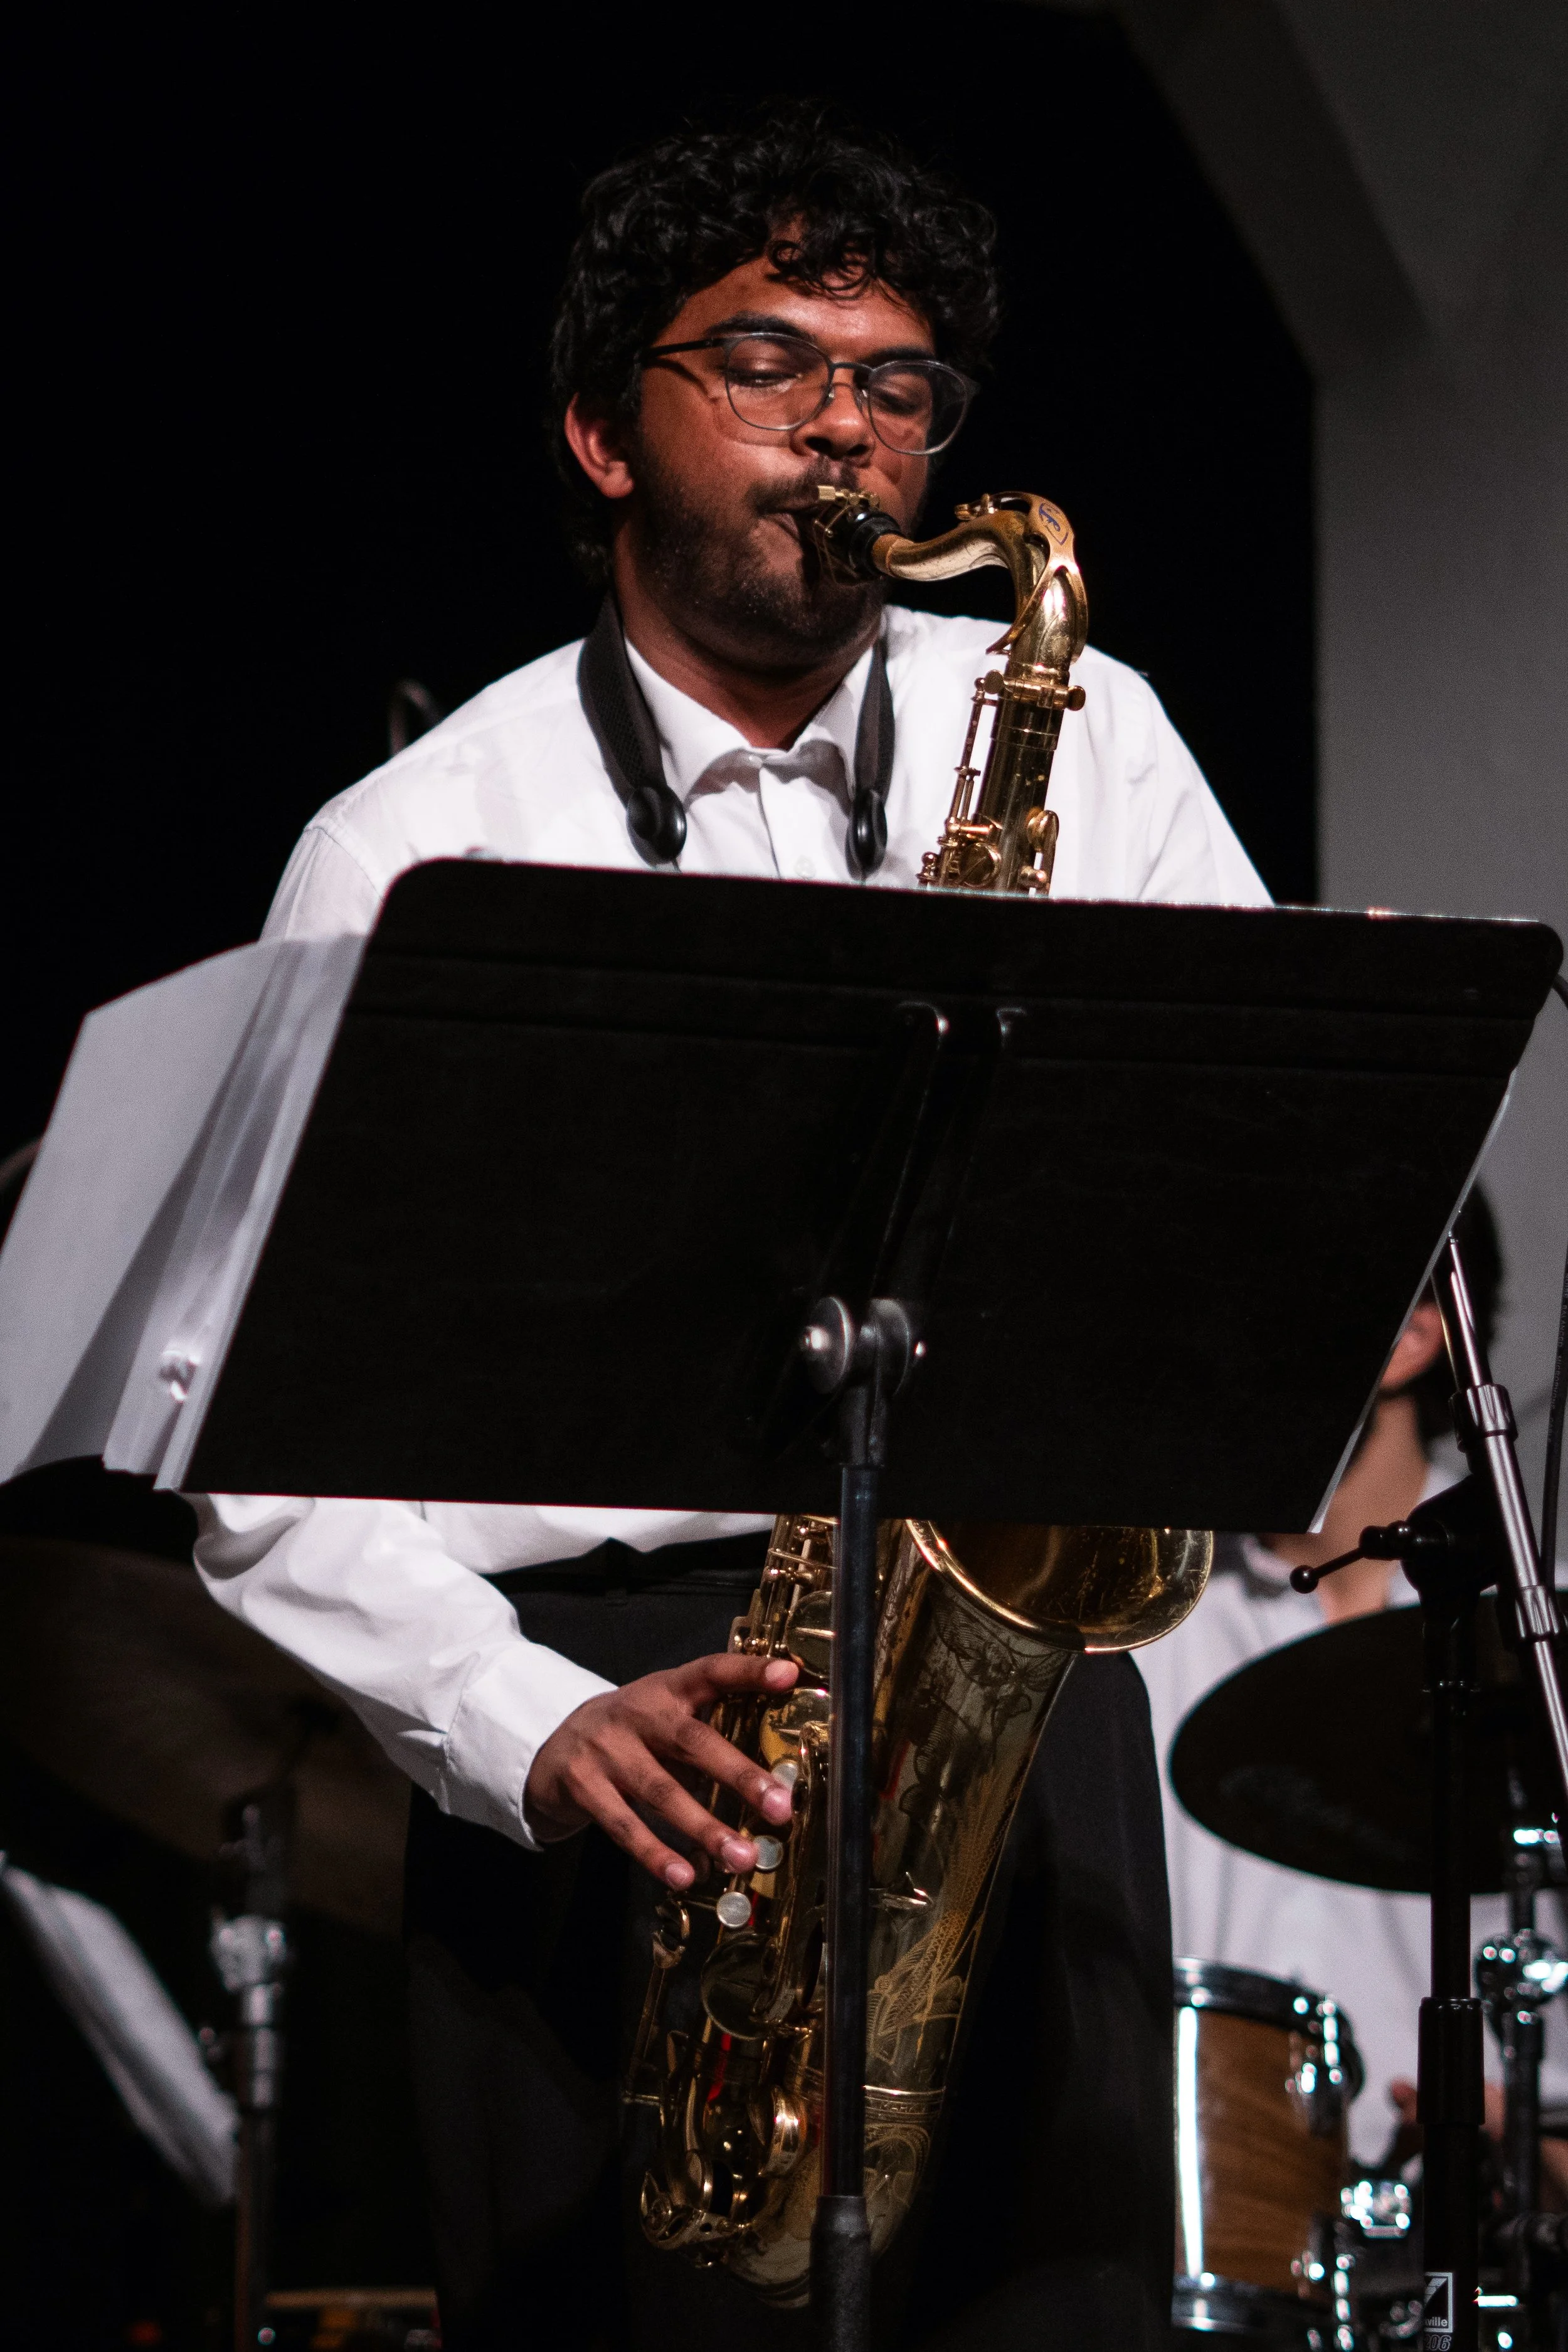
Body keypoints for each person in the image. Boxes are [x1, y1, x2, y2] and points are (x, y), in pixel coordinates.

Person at [191, 106, 1269, 2351]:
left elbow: (1247, 1189)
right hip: (622, 1753)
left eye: (899, 384)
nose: (849, 434)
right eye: (771, 364)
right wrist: (515, 1719)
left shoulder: (1099, 737)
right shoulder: (411, 845)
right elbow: (248, 1433)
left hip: (1009, 1717)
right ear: (602, 428)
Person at [1138, 1191, 1568, 2173]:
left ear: (1413, 1339)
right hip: (1188, 2219)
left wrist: (1530, 2159)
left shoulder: (1537, 1645)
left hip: (1450, 2216)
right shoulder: (1143, 1619)